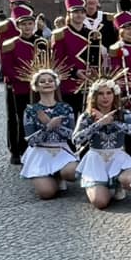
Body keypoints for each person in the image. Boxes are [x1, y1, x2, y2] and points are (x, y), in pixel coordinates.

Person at [72, 78, 131, 209]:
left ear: (115, 95)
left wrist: (112, 121)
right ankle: (99, 185)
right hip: (95, 158)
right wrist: (99, 123)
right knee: (100, 202)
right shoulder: (87, 116)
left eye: (109, 93)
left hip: (118, 156)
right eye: (101, 94)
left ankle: (118, 183)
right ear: (94, 96)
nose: (105, 97)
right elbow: (76, 139)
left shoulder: (124, 113)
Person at [20, 68, 78, 199]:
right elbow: (31, 141)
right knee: (47, 193)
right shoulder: (31, 110)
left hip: (61, 150)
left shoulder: (66, 108)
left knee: (75, 173)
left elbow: (72, 135)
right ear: (36, 86)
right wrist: (48, 127)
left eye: (50, 80)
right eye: (42, 81)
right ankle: (48, 176)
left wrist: (54, 127)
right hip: (40, 153)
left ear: (56, 84)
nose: (47, 83)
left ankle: (59, 174)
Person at [0, 5, 42, 165]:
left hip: (39, 88)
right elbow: (7, 68)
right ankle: (20, 151)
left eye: (30, 24)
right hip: (20, 87)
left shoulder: (41, 42)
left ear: (34, 25)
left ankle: (38, 148)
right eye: (23, 24)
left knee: (40, 118)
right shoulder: (11, 44)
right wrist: (24, 77)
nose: (27, 27)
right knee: (21, 120)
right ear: (18, 26)